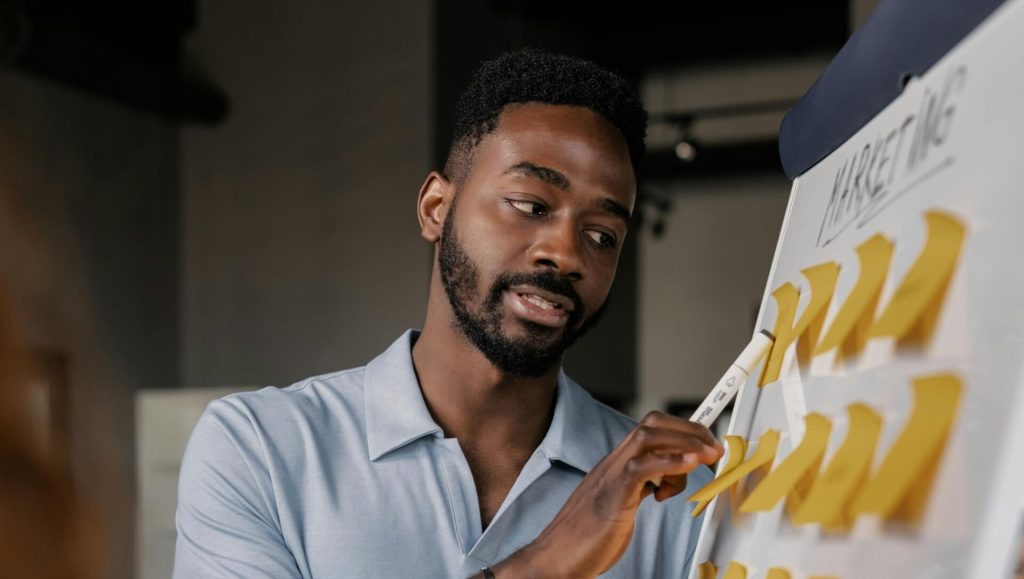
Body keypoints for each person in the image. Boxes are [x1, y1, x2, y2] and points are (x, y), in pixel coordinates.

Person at [174, 48, 722, 579]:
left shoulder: (681, 495)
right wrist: (544, 566)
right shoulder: (260, 450)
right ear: (437, 208)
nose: (567, 253)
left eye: (602, 235)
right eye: (531, 206)